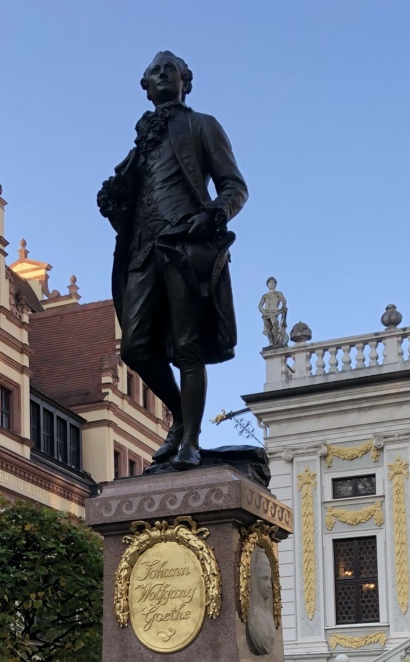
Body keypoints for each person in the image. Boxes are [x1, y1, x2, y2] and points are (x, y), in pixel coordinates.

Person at [97, 50, 247, 469]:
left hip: (184, 246)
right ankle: (181, 417)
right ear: (145, 85)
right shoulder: (141, 142)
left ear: (186, 81)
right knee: (135, 347)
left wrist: (213, 214)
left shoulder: (203, 125)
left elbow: (235, 187)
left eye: (171, 70)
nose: (163, 75)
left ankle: (191, 441)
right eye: (155, 71)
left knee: (188, 347)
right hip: (143, 250)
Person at [258, 277, 288, 347]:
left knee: (275, 325)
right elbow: (260, 306)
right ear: (267, 284)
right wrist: (264, 312)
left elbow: (284, 301)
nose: (271, 284)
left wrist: (283, 306)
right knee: (268, 329)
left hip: (274, 312)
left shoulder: (278, 293)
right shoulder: (265, 295)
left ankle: (276, 342)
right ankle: (271, 343)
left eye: (273, 283)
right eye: (270, 283)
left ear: (275, 284)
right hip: (266, 314)